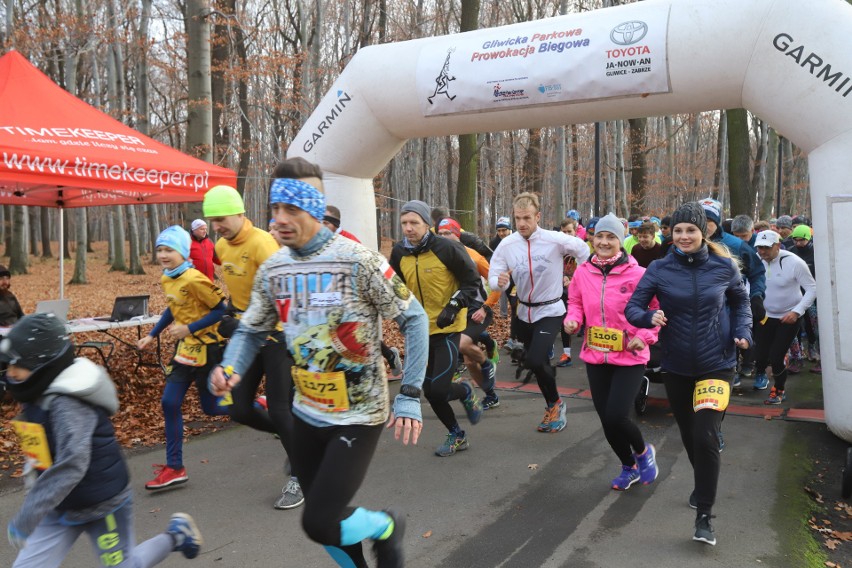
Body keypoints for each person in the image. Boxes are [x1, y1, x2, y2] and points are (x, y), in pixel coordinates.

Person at [210, 173, 429, 568]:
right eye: (275, 209)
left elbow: (414, 319)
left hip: (358, 413)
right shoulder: (274, 268)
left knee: (317, 521)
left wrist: (410, 394)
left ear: (312, 210)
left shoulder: (359, 261)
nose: (279, 219)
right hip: (307, 410)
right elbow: (252, 328)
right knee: (328, 521)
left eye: (290, 209)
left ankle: (386, 526)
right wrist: (231, 366)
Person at [3, 313, 204, 566]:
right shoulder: (35, 394)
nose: (10, 372)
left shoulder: (67, 403)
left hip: (103, 503)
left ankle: (176, 535)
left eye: (16, 366)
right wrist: (34, 484)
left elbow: (73, 462)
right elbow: (38, 449)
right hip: (59, 505)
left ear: (42, 365)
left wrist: (28, 514)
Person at [626, 202, 752, 546]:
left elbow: (742, 303)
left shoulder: (724, 268)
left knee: (705, 434)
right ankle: (703, 482)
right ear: (671, 233)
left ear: (703, 232)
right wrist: (648, 318)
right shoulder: (660, 269)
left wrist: (744, 332)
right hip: (678, 366)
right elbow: (633, 308)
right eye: (678, 230)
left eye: (690, 230)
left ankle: (705, 517)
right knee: (689, 433)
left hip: (718, 363)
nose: (683, 236)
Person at [202, 183, 304, 509]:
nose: (216, 225)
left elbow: (286, 293)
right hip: (249, 335)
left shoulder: (262, 244)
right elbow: (239, 290)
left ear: (239, 212)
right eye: (212, 220)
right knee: (240, 409)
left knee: (279, 407)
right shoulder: (221, 246)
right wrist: (233, 314)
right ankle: (299, 443)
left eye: (221, 218)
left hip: (276, 335)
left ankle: (302, 474)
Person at [564, 213, 660, 491]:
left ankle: (643, 453)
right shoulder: (583, 271)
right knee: (606, 419)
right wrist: (573, 319)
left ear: (621, 242)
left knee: (617, 415)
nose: (604, 242)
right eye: (600, 236)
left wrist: (645, 336)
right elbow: (576, 302)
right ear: (592, 238)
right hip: (596, 353)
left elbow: (654, 310)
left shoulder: (640, 274)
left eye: (611, 237)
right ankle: (628, 466)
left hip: (630, 354)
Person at [489, 192, 590, 433]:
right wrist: (500, 281)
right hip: (524, 311)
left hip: (551, 308)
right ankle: (553, 405)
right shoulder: (507, 244)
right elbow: (494, 279)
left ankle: (555, 403)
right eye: (518, 218)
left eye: (527, 218)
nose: (522, 224)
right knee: (540, 363)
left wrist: (577, 280)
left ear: (538, 216)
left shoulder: (554, 239)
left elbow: (584, 251)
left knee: (534, 359)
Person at [137, 226, 229, 490]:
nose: (164, 255)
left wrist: (189, 327)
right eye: (160, 250)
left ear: (183, 252)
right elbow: (172, 307)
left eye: (170, 250)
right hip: (185, 350)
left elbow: (220, 311)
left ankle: (256, 406)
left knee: (211, 408)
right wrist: (153, 334)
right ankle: (175, 467)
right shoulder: (169, 278)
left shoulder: (194, 279)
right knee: (169, 402)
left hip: (209, 349)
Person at [391, 201, 483, 456]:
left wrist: (453, 307)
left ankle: (464, 389)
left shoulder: (448, 248)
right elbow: (396, 288)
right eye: (404, 224)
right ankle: (456, 434)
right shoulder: (399, 253)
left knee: (439, 389)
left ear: (427, 224)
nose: (408, 229)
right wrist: (401, 316)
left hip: (448, 328)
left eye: (414, 223)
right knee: (430, 392)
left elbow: (471, 282)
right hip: (419, 331)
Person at [321, 201, 403, 379]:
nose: (321, 226)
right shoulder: (320, 242)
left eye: (325, 222)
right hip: (330, 297)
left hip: (353, 297)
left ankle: (381, 361)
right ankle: (387, 355)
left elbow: (364, 268)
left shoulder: (349, 240)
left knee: (356, 335)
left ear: (335, 224)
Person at [436, 217, 500, 409]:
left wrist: (486, 307)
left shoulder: (473, 256)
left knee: (462, 343)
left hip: (476, 311)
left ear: (457, 235)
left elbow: (497, 284)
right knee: (470, 362)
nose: (443, 237)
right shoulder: (436, 256)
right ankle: (491, 395)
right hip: (455, 311)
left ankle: (487, 362)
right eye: (440, 234)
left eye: (447, 233)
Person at [752, 230, 817, 403]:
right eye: (759, 248)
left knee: (776, 356)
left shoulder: (794, 262)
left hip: (788, 316)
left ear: (778, 245)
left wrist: (797, 312)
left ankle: (779, 389)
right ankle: (775, 365)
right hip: (765, 316)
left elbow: (812, 289)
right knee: (760, 355)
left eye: (766, 248)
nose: (762, 252)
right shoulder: (755, 260)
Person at [556, 218, 580, 367]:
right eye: (563, 232)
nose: (566, 235)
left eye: (569, 232)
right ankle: (567, 354)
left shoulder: (581, 248)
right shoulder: (557, 248)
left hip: (580, 291)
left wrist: (573, 280)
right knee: (562, 320)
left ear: (575, 232)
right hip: (561, 290)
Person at [490, 217, 513, 319]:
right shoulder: (494, 242)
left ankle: (516, 314)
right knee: (502, 291)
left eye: (504, 230)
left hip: (516, 272)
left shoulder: (518, 238)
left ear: (509, 229)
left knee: (515, 299)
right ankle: (503, 314)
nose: (501, 233)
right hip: (502, 272)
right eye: (499, 231)